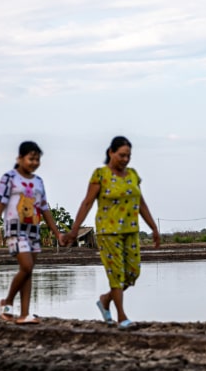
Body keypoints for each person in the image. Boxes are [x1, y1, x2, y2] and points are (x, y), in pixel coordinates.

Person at [65, 136, 161, 328]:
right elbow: (87, 203)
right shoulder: (100, 175)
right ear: (111, 152)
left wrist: (153, 228)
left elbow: (140, 202)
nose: (125, 159)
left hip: (130, 231)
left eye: (128, 156)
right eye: (122, 155)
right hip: (108, 232)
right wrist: (74, 230)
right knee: (116, 274)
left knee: (132, 273)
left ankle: (105, 299)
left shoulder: (133, 175)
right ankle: (122, 317)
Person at [0, 141, 65, 324]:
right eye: (31, 158)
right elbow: (0, 205)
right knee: (27, 266)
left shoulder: (38, 181)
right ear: (20, 158)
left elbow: (45, 208)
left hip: (33, 230)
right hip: (15, 230)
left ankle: (24, 314)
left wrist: (58, 233)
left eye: (37, 159)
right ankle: (8, 301)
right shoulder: (9, 178)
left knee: (28, 271)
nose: (34, 162)